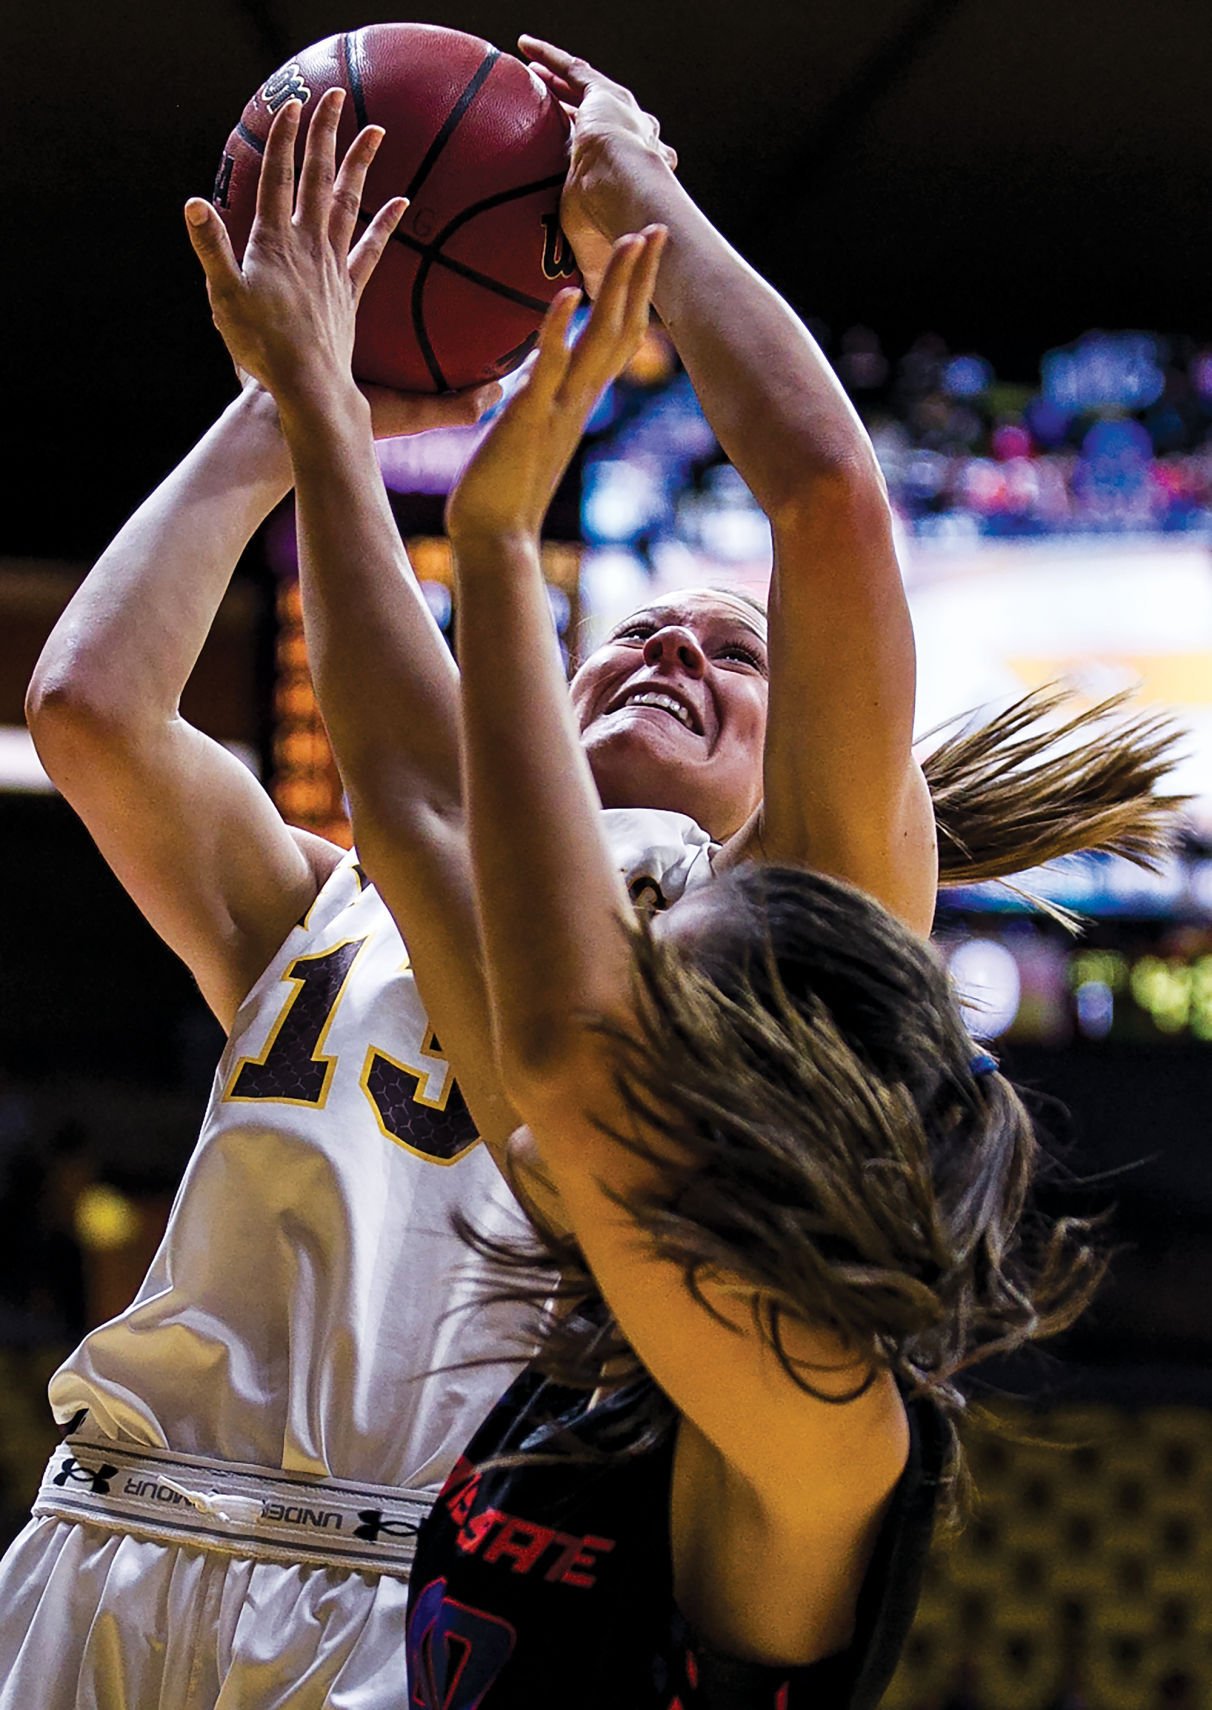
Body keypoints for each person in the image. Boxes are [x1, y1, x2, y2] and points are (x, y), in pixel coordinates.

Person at [1, 41, 1179, 1710]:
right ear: (531, 714)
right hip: (104, 1534)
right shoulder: (363, 885)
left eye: (738, 650)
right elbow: (93, 709)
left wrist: (653, 211)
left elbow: (829, 504)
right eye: (639, 625)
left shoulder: (772, 930)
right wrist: (287, 399)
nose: (675, 644)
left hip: (412, 1580)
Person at [395, 227, 1108, 1710]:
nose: (632, 946)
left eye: (660, 964)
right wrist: (313, 408)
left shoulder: (823, 1409)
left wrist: (500, 549)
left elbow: (830, 502)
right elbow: (414, 804)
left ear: (752, 1075)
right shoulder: (606, 1276)